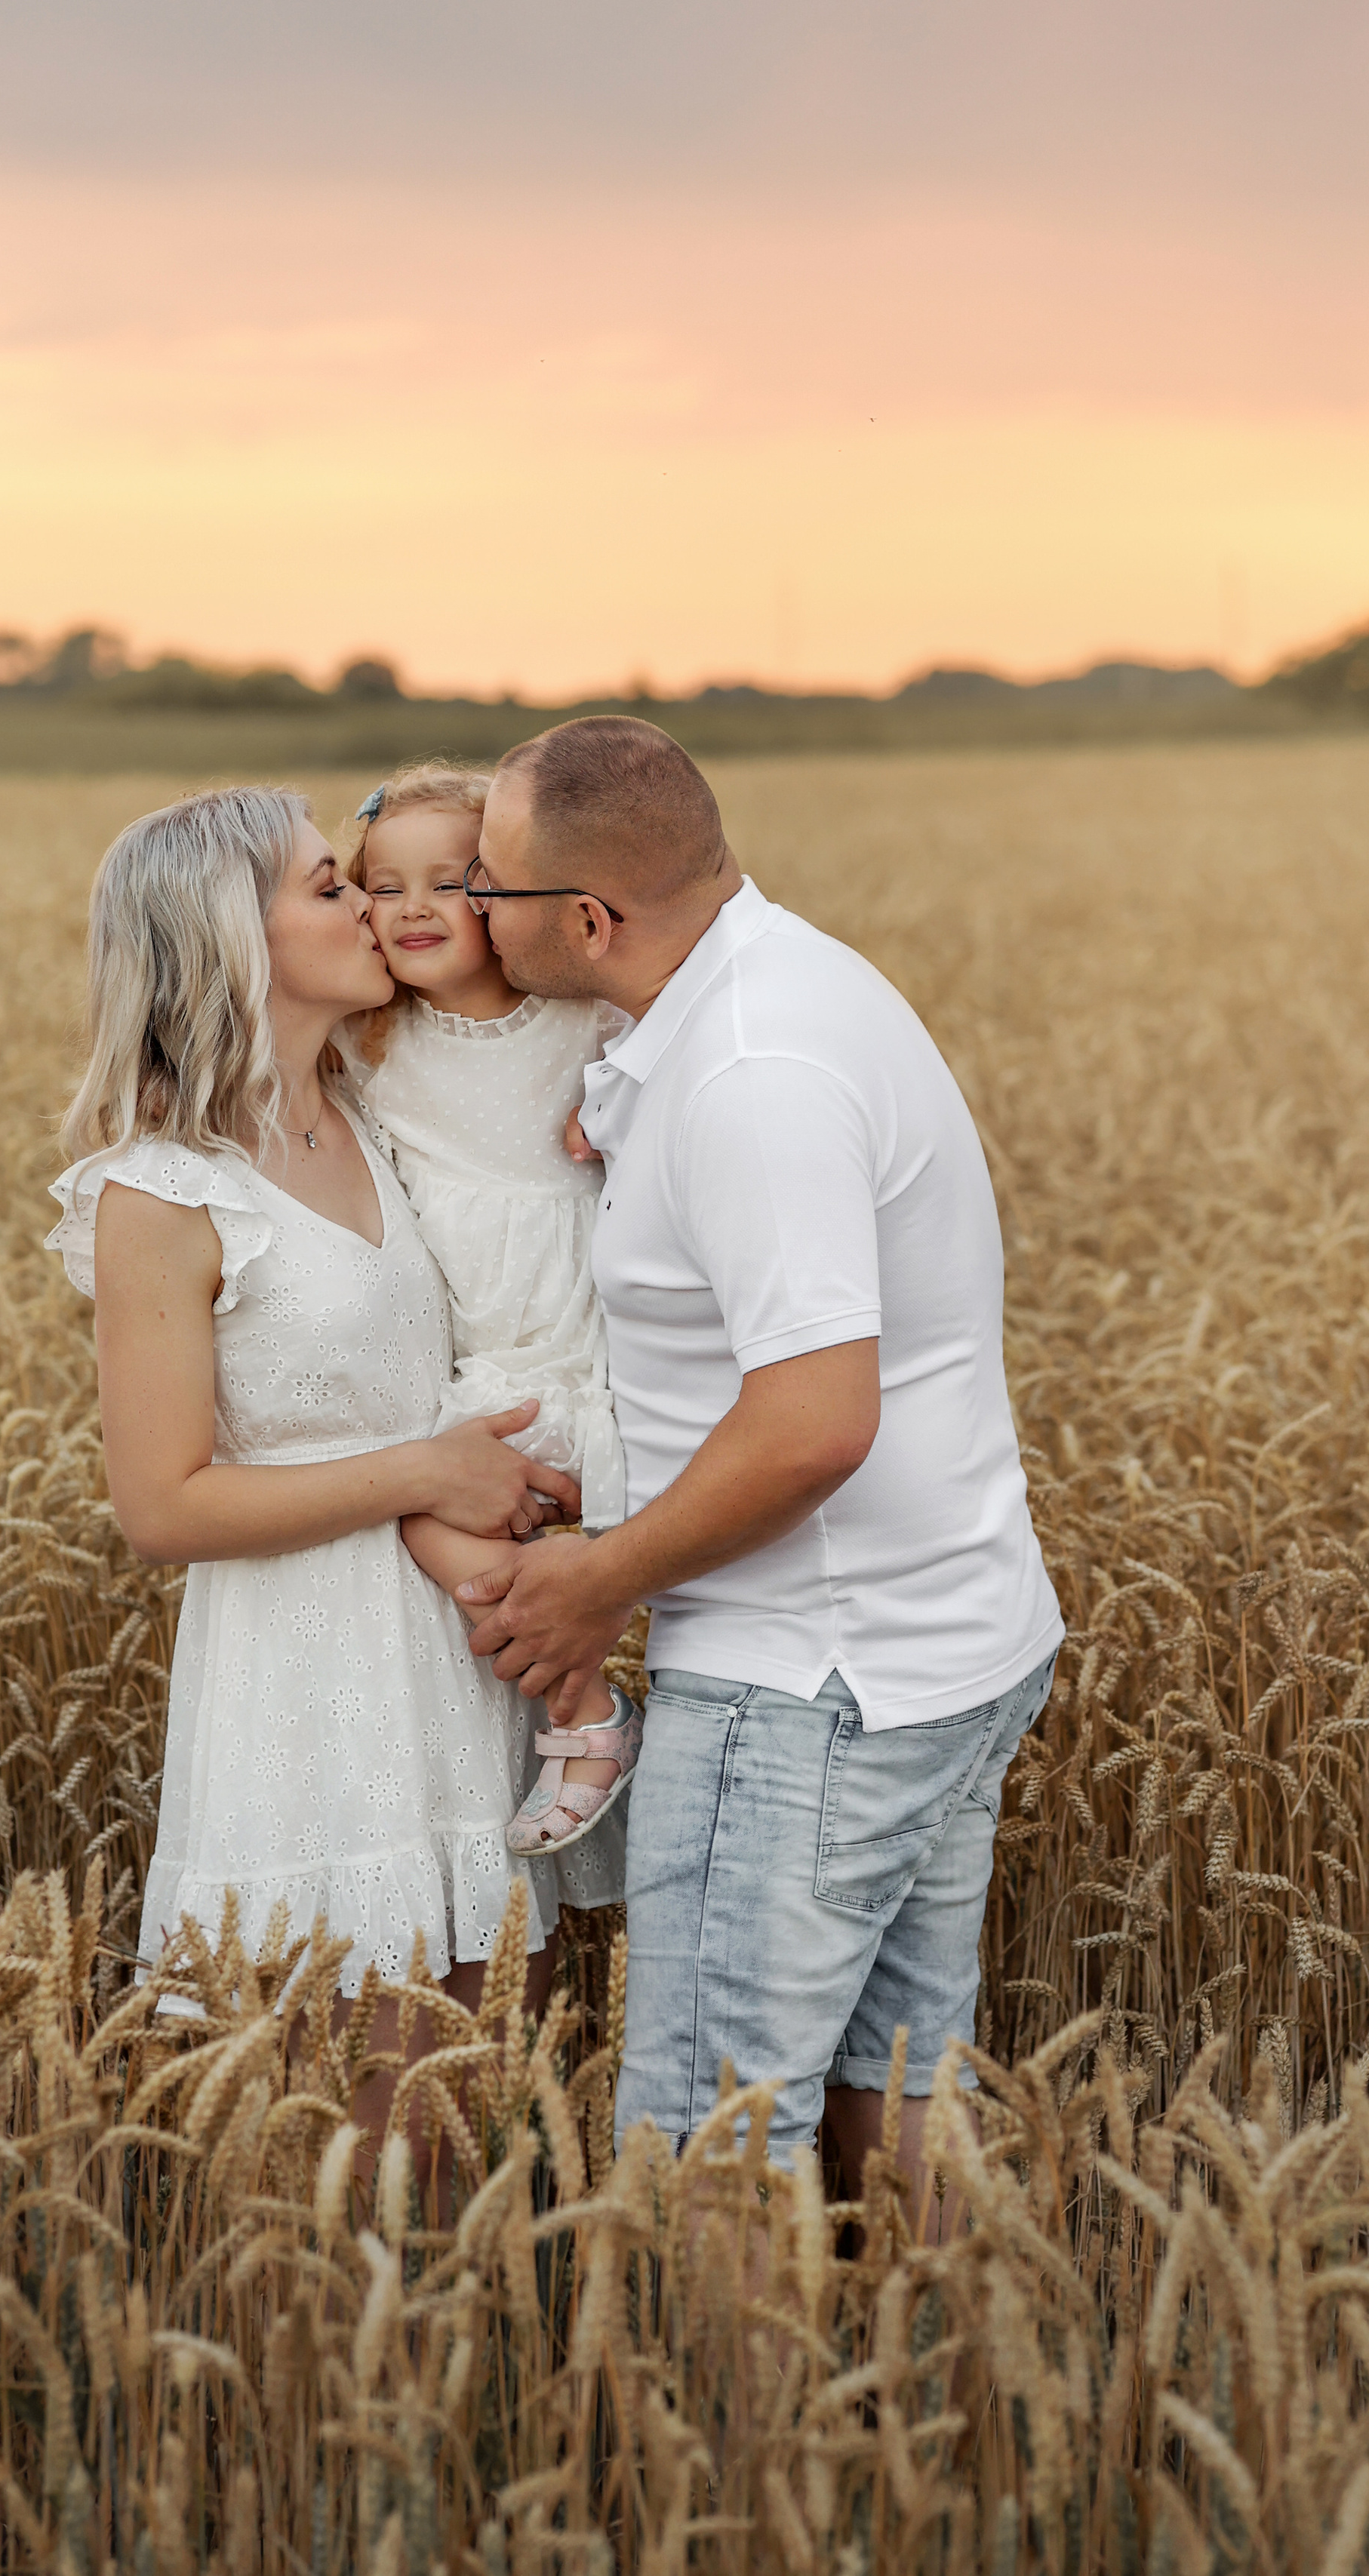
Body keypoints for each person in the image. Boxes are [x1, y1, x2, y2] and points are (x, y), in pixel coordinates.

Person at [453, 716, 1065, 2224]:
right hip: (945, 1644)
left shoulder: (748, 1076)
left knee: (707, 2150)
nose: (468, 908)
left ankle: (745, 2463)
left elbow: (810, 1425)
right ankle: (936, 2444)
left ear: (585, 920)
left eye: (487, 887)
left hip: (810, 1691)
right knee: (891, 2094)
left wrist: (596, 1582)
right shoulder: (766, 984)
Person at [44, 784, 585, 2057]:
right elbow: (162, 1503)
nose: (369, 905)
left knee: (497, 2097)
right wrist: (426, 1473)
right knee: (364, 2122)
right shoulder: (163, 1191)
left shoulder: (375, 1112)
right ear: (237, 935)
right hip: (308, 1682)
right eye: (329, 884)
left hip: (461, 1658)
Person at [340, 763, 640, 1867]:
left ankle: (598, 1714)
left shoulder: (578, 1021)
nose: (413, 906)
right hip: (495, 1359)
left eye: (449, 879)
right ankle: (585, 1710)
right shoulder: (372, 1051)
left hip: (590, 1337)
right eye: (383, 885)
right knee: (434, 1519)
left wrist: (618, 1112)